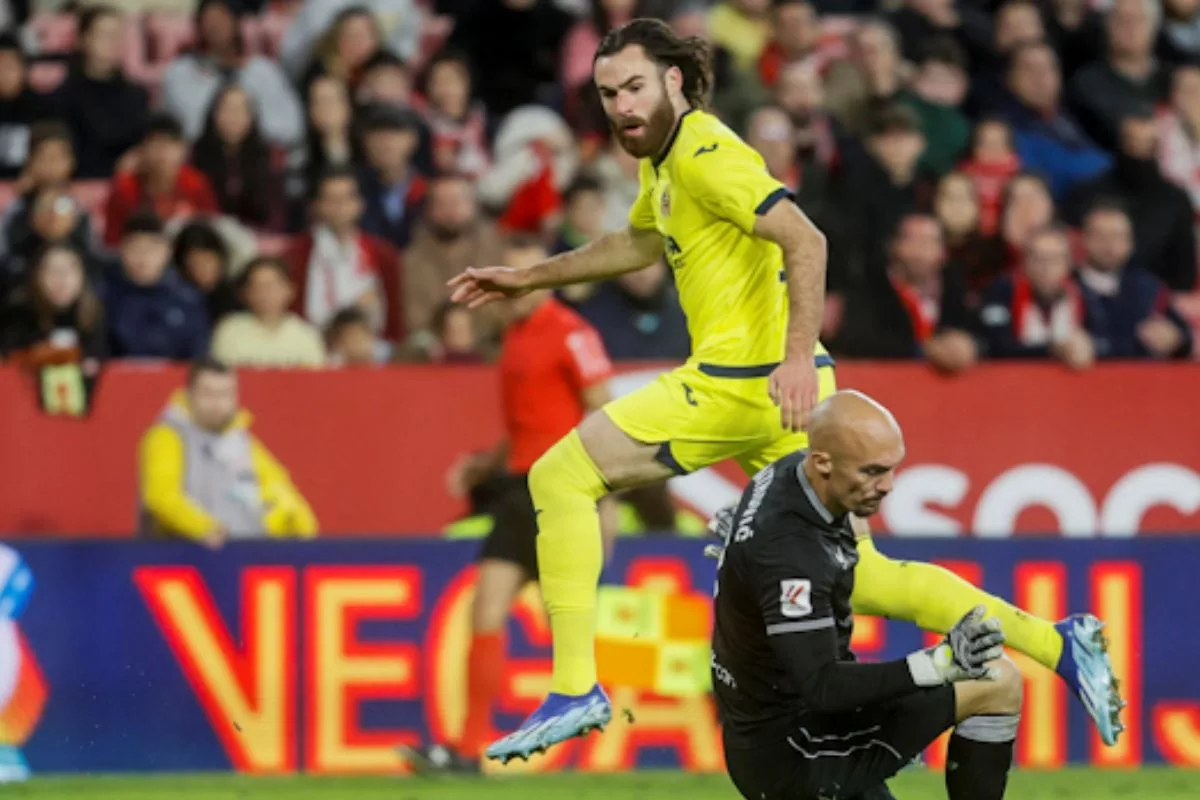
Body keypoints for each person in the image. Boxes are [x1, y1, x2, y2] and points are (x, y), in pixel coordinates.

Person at [449, 18, 1122, 762]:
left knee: (560, 474)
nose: (620, 106)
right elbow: (640, 242)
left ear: (674, 80)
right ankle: (1056, 643)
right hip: (787, 390)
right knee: (865, 575)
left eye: (634, 87)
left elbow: (806, 238)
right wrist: (530, 276)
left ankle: (576, 684)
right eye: (608, 93)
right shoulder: (666, 163)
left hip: (745, 382)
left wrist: (794, 358)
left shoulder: (704, 154)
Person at [712, 390, 1021, 800]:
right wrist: (940, 663)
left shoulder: (791, 475)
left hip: (793, 728)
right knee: (997, 682)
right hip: (796, 753)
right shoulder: (791, 555)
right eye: (873, 471)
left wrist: (742, 563)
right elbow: (821, 685)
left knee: (998, 679)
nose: (888, 486)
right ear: (823, 463)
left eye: (893, 469)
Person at [403, 237, 616, 775]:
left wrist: (602, 493)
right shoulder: (516, 333)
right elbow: (527, 421)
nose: (511, 284)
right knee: (488, 609)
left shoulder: (572, 333)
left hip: (560, 491)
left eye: (522, 273)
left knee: (570, 617)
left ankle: (673, 711)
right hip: (518, 488)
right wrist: (487, 464)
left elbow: (604, 411)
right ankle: (467, 748)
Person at [139, 357, 318, 545]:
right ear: (190, 394)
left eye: (225, 394)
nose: (217, 404)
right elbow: (160, 496)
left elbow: (278, 491)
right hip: (184, 556)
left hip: (243, 554)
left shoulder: (241, 442)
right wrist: (204, 528)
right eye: (208, 394)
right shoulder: (168, 436)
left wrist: (301, 531)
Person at [210, 256, 326, 368]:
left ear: (290, 290)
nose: (265, 293)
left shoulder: (306, 334)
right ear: (245, 292)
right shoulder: (229, 331)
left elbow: (315, 380)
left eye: (272, 285)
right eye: (258, 286)